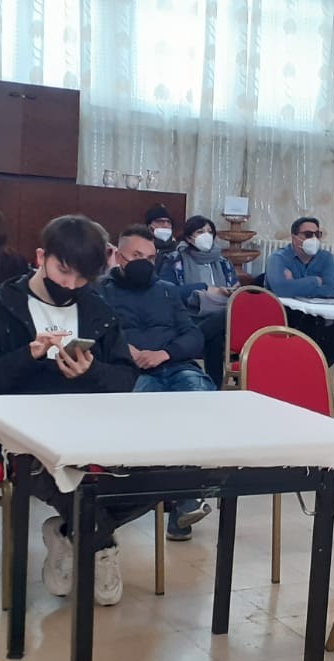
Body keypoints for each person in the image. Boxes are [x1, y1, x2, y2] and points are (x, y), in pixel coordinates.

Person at [0, 215, 139, 606]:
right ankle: (99, 543)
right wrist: (27, 356)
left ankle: (70, 534)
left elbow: (125, 377)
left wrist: (91, 372)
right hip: (20, 434)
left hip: (91, 428)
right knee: (66, 474)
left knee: (162, 472)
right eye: (63, 271)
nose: (71, 285)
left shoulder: (97, 309)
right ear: (42, 257)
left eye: (83, 278)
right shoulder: (2, 309)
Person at [102, 224, 216, 540]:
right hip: (132, 371)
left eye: (150, 258)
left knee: (203, 404)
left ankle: (185, 499)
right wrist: (126, 350)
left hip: (174, 365)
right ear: (119, 257)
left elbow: (193, 335)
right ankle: (184, 500)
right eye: (137, 256)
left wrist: (165, 353)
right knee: (150, 419)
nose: (145, 263)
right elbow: (96, 334)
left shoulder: (166, 290)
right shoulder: (101, 292)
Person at [159, 215, 239, 386]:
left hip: (219, 313)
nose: (206, 235)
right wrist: (204, 288)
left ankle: (213, 384)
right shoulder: (175, 260)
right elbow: (167, 292)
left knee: (221, 324)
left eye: (210, 232)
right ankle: (215, 385)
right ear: (189, 238)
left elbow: (235, 287)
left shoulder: (224, 262)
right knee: (218, 329)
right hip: (189, 316)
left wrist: (230, 291)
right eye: (200, 232)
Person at [265, 216, 334, 298]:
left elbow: (332, 291)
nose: (314, 239)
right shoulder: (278, 258)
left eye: (317, 234)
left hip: (316, 306)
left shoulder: (327, 258)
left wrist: (293, 286)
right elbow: (282, 290)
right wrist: (316, 281)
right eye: (308, 234)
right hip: (284, 306)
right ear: (294, 238)